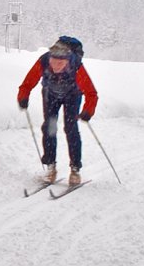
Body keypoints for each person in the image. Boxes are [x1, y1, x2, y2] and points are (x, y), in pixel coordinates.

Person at [17, 35, 99, 186]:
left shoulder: (76, 66)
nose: (55, 65)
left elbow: (91, 93)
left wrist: (88, 110)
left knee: (70, 128)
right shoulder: (43, 61)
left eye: (60, 63)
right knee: (49, 128)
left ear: (67, 60)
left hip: (72, 94)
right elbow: (28, 82)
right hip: (50, 93)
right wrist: (23, 96)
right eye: (53, 61)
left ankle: (75, 170)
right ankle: (51, 167)